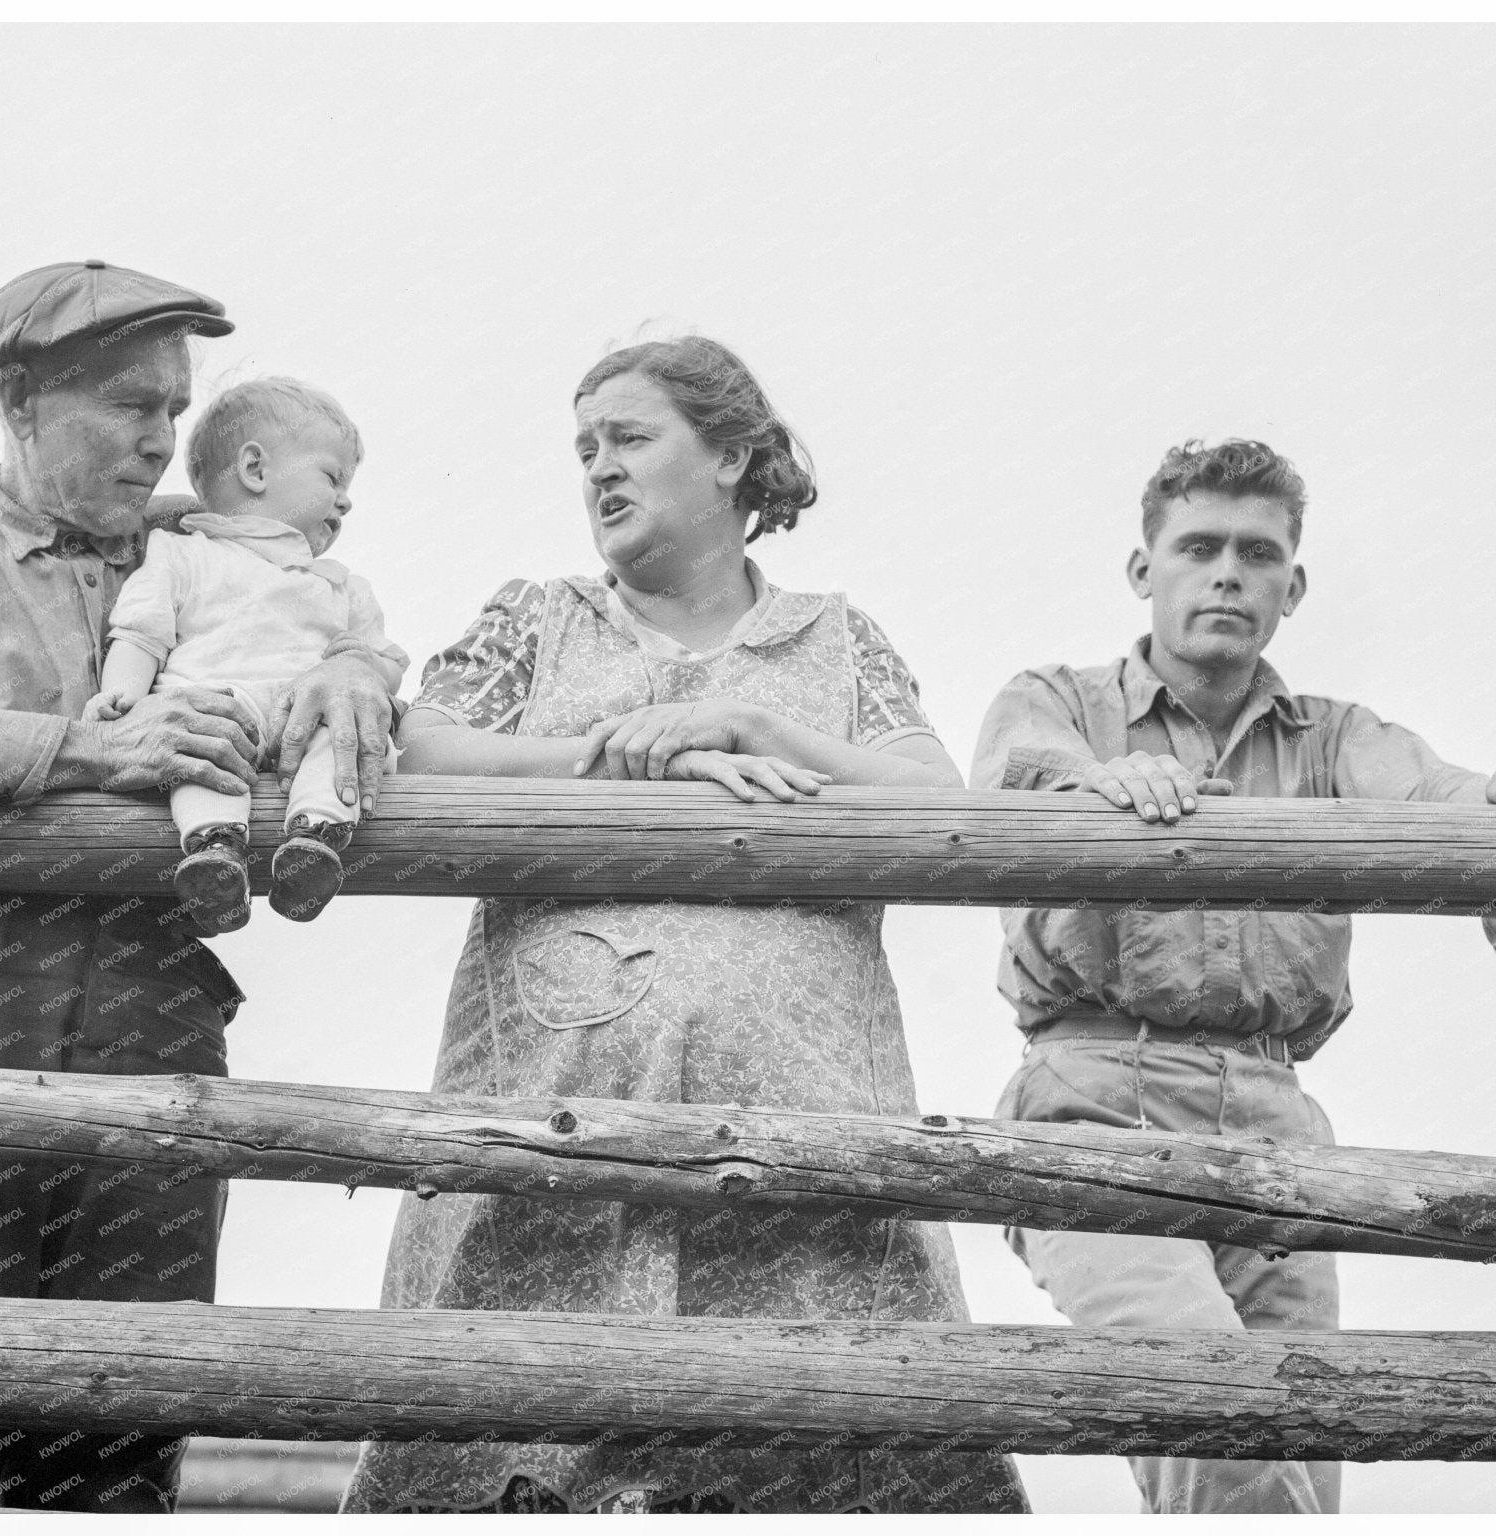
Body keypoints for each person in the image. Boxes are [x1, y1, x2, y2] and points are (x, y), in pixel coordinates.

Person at [338, 336, 1028, 1515]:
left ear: (730, 457)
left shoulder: (835, 637)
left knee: (820, 1450)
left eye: (628, 437)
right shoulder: (534, 619)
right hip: (548, 1141)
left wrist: (754, 727)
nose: (598, 467)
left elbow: (930, 793)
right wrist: (612, 760)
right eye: (583, 449)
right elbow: (424, 751)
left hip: (802, 1153)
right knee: (509, 1438)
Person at [0, 260, 400, 1511]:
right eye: (127, 405)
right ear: (17, 400)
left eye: (174, 409)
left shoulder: (211, 551)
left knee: (122, 1412)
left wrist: (357, 671)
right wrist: (81, 750)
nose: (160, 440)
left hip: (153, 1008)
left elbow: (345, 644)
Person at [970, 438, 1496, 1516]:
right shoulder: (1058, 701)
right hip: (1092, 1106)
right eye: (1197, 547)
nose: (1226, 575)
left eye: (1257, 555)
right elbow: (1019, 771)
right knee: (1213, 1422)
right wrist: (1103, 779)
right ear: (1142, 570)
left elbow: (1434, 790)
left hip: (1274, 1124)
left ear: (1291, 588)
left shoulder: (1332, 738)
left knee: (1302, 1454)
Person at [86, 377, 409, 930]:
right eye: (332, 477)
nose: (347, 499)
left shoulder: (342, 586)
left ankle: (315, 838)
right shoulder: (182, 555)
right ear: (255, 469)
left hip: (303, 715)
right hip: (217, 707)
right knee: (197, 737)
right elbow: (141, 635)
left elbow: (383, 666)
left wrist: (363, 667)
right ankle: (215, 852)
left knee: (344, 733)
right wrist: (121, 703)